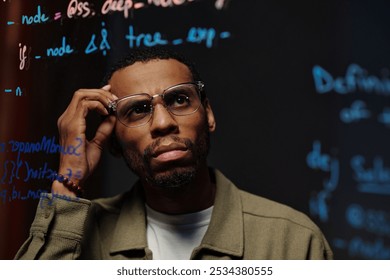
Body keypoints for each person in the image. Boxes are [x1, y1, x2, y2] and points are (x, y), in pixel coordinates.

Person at [15, 48, 333, 260]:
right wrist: (67, 181)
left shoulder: (292, 241)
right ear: (112, 141)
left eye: (179, 100)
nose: (164, 123)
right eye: (138, 110)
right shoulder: (83, 237)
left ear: (207, 114)